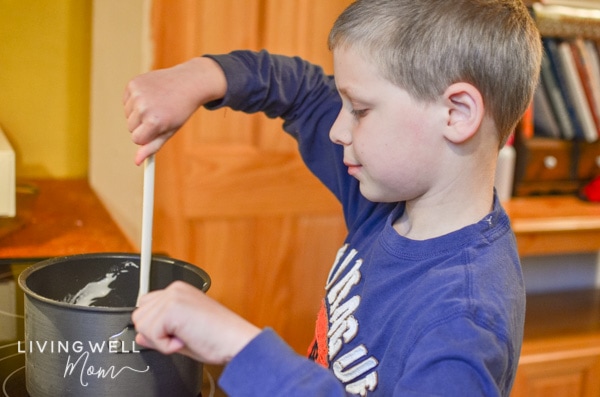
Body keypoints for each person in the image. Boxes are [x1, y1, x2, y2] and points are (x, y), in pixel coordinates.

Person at [125, 0, 542, 395]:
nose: (337, 130)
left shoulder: (464, 322)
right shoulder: (385, 206)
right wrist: (200, 77)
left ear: (457, 113)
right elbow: (303, 93)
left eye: (359, 110)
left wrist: (239, 347)